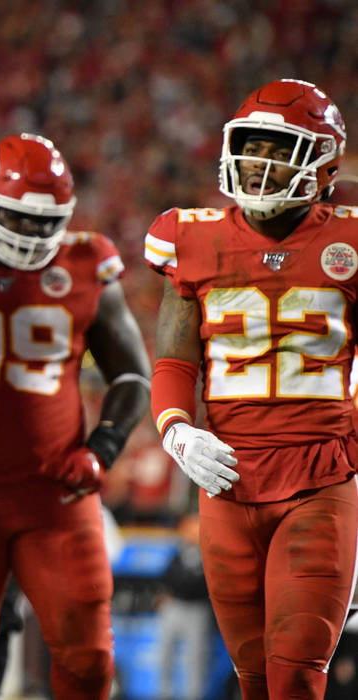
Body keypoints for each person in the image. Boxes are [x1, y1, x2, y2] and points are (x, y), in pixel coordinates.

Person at [146, 78, 358, 700]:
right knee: (255, 680)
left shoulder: (349, 238)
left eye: (280, 149)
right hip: (228, 481)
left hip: (321, 477)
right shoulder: (191, 237)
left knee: (296, 678)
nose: (259, 165)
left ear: (323, 164)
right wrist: (176, 431)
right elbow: (175, 360)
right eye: (252, 147)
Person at [0, 133, 151, 700]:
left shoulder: (85, 262)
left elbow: (131, 373)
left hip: (55, 495)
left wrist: (102, 448)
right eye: (19, 218)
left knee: (89, 660)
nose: (31, 233)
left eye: (43, 220)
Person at [155, 512, 212, 700]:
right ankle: (164, 694)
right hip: (175, 606)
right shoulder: (178, 553)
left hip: (196, 609)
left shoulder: (207, 554)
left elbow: (204, 585)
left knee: (195, 660)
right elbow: (166, 577)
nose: (190, 532)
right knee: (165, 656)